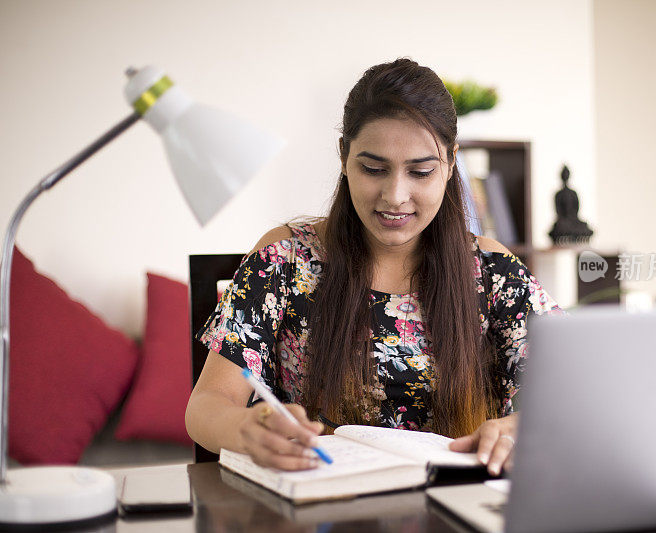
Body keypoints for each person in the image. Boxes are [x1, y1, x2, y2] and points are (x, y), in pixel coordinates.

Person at [185, 58, 562, 478]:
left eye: (420, 171)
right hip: (321, 504)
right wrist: (244, 428)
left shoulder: (492, 272)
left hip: (454, 506)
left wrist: (521, 428)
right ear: (343, 156)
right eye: (373, 169)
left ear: (452, 162)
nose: (395, 195)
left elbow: (576, 393)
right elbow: (205, 406)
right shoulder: (286, 259)